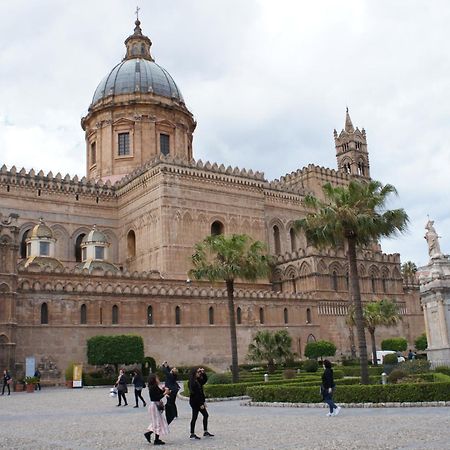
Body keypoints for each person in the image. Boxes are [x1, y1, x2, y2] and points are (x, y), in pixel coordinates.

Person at [188, 367, 214, 440]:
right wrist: (201, 404)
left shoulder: (197, 381)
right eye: (197, 372)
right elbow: (196, 395)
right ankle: (192, 434)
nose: (198, 374)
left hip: (197, 402)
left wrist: (203, 373)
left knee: (204, 415)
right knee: (196, 417)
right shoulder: (192, 382)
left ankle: (205, 432)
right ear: (194, 374)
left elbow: (205, 380)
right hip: (195, 402)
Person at [144, 373, 169, 446]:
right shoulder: (152, 387)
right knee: (157, 422)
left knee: (158, 422)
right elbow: (155, 397)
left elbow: (160, 393)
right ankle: (156, 439)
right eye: (157, 378)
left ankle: (150, 434)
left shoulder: (155, 387)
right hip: (154, 406)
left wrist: (164, 390)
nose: (158, 379)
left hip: (156, 405)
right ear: (154, 380)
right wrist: (164, 393)